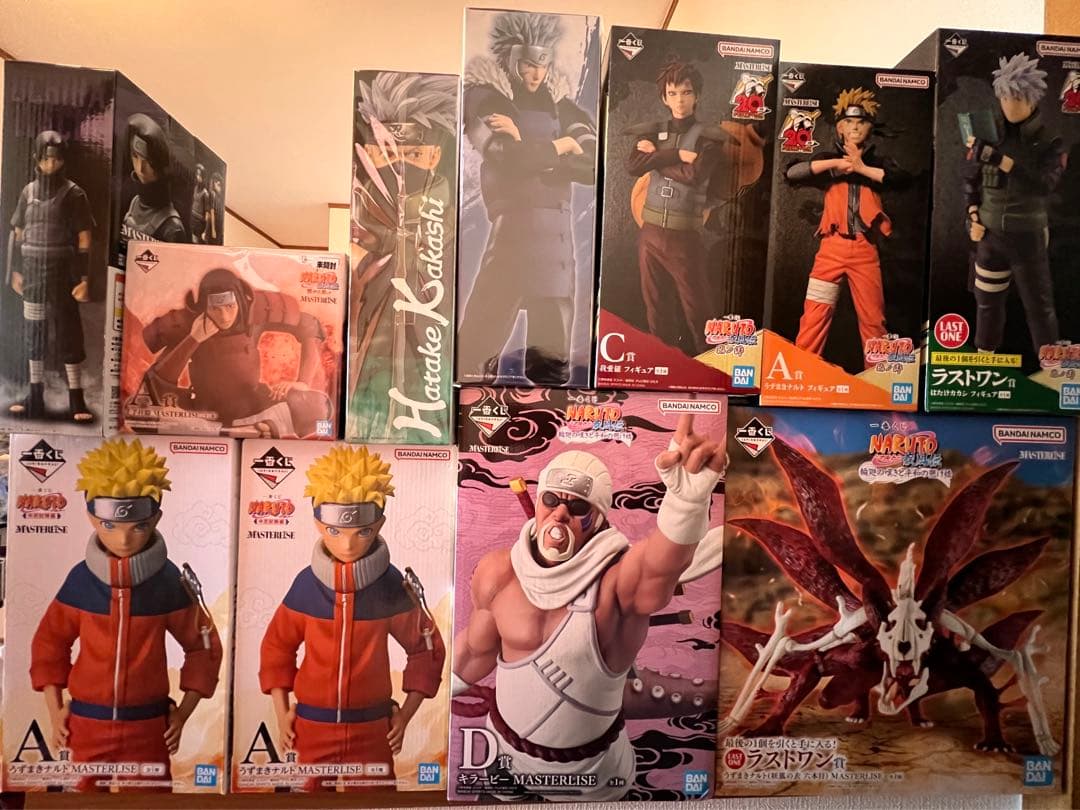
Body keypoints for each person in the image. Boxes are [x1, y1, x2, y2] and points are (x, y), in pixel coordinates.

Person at [452, 413, 722, 801]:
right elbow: (474, 653)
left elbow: (658, 566)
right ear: (538, 502)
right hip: (504, 759)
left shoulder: (615, 586)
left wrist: (686, 503)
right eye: (551, 500)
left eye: (578, 507)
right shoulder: (499, 572)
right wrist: (423, 698)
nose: (560, 515)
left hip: (591, 778)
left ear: (597, 520)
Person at [30, 438, 222, 792]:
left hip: (148, 727)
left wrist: (183, 713)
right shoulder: (80, 580)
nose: (123, 539)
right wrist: (55, 710)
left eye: (138, 526)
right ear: (91, 517)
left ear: (156, 519)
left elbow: (204, 647)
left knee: (149, 801)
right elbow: (50, 643)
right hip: (85, 724)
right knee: (80, 801)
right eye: (109, 525)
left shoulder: (169, 581)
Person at [260, 446, 444, 791]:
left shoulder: (393, 586)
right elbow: (277, 647)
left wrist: (405, 716)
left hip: (373, 730)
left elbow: (426, 650)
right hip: (309, 728)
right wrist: (281, 713)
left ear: (379, 525)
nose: (347, 545)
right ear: (318, 524)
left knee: (375, 800)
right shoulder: (305, 585)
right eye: (334, 531)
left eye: (362, 532)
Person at [457, 11, 597, 385]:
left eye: (542, 65)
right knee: (473, 358)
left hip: (558, 242)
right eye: (528, 65)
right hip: (513, 234)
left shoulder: (563, 105)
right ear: (511, 60)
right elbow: (506, 156)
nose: (536, 74)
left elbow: (591, 166)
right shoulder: (486, 97)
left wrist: (526, 143)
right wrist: (561, 146)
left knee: (551, 369)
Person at [350, 71, 456, 438]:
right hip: (372, 355)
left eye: (413, 154)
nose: (399, 166)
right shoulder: (363, 225)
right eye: (387, 154)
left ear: (435, 155)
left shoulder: (451, 224)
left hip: (432, 356)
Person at [786, 88, 910, 362]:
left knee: (873, 320)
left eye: (861, 122)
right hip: (831, 250)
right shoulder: (828, 161)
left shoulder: (878, 163)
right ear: (839, 127)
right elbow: (793, 173)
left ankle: (878, 378)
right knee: (815, 315)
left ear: (870, 127)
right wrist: (837, 163)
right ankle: (801, 372)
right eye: (849, 122)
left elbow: (902, 180)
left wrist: (861, 168)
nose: (855, 127)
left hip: (865, 251)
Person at [134, 266, 331, 438]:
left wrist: (303, 382)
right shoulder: (189, 323)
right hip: (205, 409)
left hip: (252, 403)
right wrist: (194, 338)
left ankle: (260, 425)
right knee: (141, 416)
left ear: (240, 302)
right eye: (216, 309)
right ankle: (248, 428)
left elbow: (310, 326)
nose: (224, 316)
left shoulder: (254, 312)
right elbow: (157, 383)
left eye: (230, 306)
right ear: (204, 307)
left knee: (318, 407)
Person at [965, 53, 1066, 355]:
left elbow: (1044, 185)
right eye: (1005, 97)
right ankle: (984, 361)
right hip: (989, 237)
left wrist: (1003, 162)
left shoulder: (1050, 142)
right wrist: (972, 216)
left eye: (1017, 98)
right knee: (987, 304)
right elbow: (970, 182)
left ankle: (1051, 369)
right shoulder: (988, 136)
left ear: (1032, 100)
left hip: (1028, 238)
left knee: (1039, 307)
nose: (1010, 105)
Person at [626, 61, 726, 356]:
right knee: (656, 309)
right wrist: (677, 155)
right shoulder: (652, 132)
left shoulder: (708, 137)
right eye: (673, 93)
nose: (680, 100)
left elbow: (693, 175)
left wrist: (656, 157)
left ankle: (711, 369)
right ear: (664, 98)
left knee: (699, 311)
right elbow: (633, 166)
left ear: (697, 95)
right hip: (650, 233)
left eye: (686, 92)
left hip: (684, 236)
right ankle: (664, 365)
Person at [7, 130, 93, 423]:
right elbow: (18, 234)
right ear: (37, 159)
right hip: (32, 272)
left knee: (68, 331)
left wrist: (84, 278)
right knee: (34, 333)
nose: (51, 164)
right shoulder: (28, 192)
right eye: (46, 159)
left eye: (56, 159)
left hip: (62, 272)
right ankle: (34, 394)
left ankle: (76, 398)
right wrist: (15, 271)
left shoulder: (74, 194)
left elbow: (84, 239)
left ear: (63, 160)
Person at [122, 113, 185, 244]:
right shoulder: (135, 202)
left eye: (148, 161)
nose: (140, 168)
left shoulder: (172, 227)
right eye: (135, 156)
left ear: (158, 163)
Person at [189, 163, 211, 244]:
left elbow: (207, 214)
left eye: (199, 175)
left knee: (196, 242)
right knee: (192, 240)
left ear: (203, 177)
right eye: (197, 174)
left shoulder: (205, 193)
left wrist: (205, 231)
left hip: (199, 222)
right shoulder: (195, 188)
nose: (197, 177)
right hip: (193, 218)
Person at [209, 171, 225, 244]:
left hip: (220, 221)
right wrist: (213, 229)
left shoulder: (220, 196)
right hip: (215, 222)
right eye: (216, 182)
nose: (218, 183)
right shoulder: (213, 194)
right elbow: (212, 213)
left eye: (219, 182)